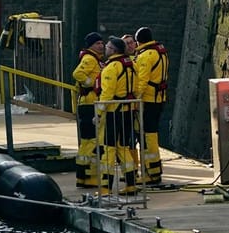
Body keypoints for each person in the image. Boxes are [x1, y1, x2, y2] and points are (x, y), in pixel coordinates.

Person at [96, 35, 138, 197]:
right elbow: (136, 86)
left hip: (113, 112)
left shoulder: (111, 68)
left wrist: (99, 113)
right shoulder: (132, 65)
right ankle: (131, 184)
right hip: (128, 111)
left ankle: (105, 188)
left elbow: (107, 93)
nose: (105, 48)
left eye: (107, 47)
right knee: (123, 148)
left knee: (109, 149)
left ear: (113, 50)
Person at [132, 27, 168, 185]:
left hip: (148, 101)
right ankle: (154, 171)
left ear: (138, 41)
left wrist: (134, 100)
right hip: (159, 98)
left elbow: (142, 81)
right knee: (151, 134)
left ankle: (150, 173)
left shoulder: (145, 56)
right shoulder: (161, 52)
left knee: (147, 137)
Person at [71, 32, 106, 188]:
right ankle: (88, 176)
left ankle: (84, 176)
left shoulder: (96, 59)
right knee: (91, 141)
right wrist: (91, 84)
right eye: (98, 43)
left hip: (89, 104)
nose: (101, 45)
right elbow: (78, 73)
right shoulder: (90, 59)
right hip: (89, 104)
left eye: (102, 43)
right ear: (91, 45)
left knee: (88, 141)